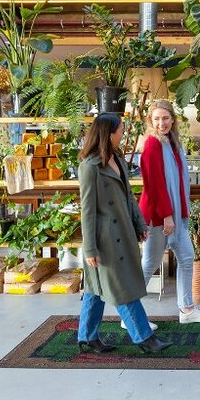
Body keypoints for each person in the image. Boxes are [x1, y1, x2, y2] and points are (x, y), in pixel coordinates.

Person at [77, 113, 173, 354]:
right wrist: (89, 248)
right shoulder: (90, 167)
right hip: (105, 240)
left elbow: (128, 196)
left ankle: (87, 336)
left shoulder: (117, 159)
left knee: (95, 287)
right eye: (121, 130)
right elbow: (87, 211)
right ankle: (144, 338)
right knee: (122, 287)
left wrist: (139, 224)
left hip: (123, 232)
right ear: (109, 134)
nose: (123, 133)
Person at [139, 100, 200, 324]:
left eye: (165, 118)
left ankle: (187, 310)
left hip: (176, 215)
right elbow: (154, 186)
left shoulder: (172, 143)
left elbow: (179, 181)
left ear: (172, 119)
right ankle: (130, 314)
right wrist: (167, 216)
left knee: (186, 258)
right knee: (150, 264)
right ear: (150, 121)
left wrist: (182, 211)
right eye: (156, 119)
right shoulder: (152, 145)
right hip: (158, 217)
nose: (161, 123)